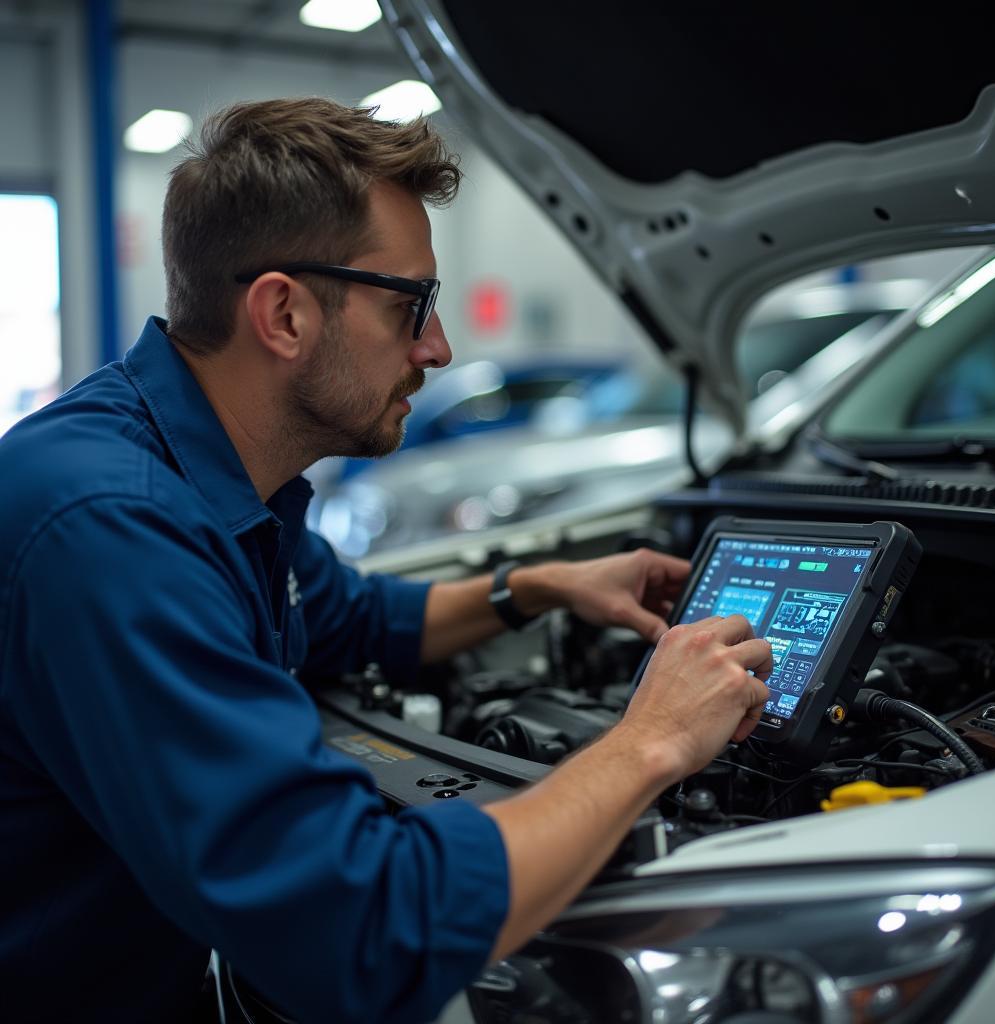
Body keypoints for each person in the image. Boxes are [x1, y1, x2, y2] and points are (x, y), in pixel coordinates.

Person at [0, 98, 771, 1024]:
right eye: (412, 305)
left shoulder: (207, 476)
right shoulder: (113, 528)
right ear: (283, 313)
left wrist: (539, 588)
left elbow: (354, 617)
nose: (438, 348)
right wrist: (649, 742)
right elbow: (361, 926)